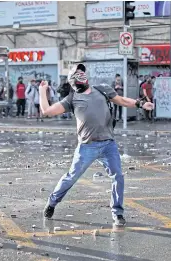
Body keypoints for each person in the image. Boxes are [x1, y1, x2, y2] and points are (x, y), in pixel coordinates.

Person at [39, 64, 153, 226]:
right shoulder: (72, 99)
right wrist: (42, 92)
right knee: (71, 177)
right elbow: (47, 111)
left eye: (82, 72)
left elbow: (120, 100)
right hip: (87, 146)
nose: (82, 75)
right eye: (77, 73)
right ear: (73, 80)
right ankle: (52, 202)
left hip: (108, 144)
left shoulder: (102, 89)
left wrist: (140, 104)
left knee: (118, 176)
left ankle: (118, 213)